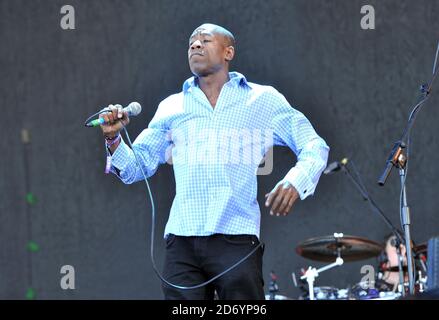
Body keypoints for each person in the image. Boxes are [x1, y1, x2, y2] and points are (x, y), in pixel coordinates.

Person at [98, 23, 329, 300]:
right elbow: (136, 167)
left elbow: (314, 145)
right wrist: (113, 139)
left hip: (236, 237)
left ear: (228, 52)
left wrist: (295, 181)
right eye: (191, 42)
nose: (195, 45)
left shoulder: (262, 100)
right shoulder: (171, 107)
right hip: (182, 241)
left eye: (205, 40)